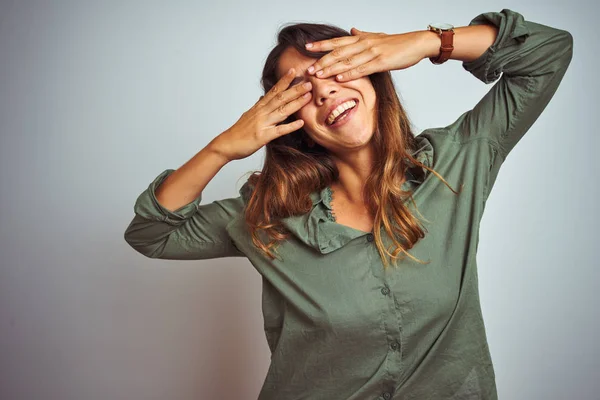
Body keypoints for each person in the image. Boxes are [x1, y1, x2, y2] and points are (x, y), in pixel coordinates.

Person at [124, 8, 573, 400]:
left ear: (372, 69)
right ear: (291, 121)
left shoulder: (455, 161)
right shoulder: (270, 214)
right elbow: (151, 233)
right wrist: (223, 147)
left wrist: (427, 42)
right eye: (300, 91)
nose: (324, 93)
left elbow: (549, 52)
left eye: (335, 69)